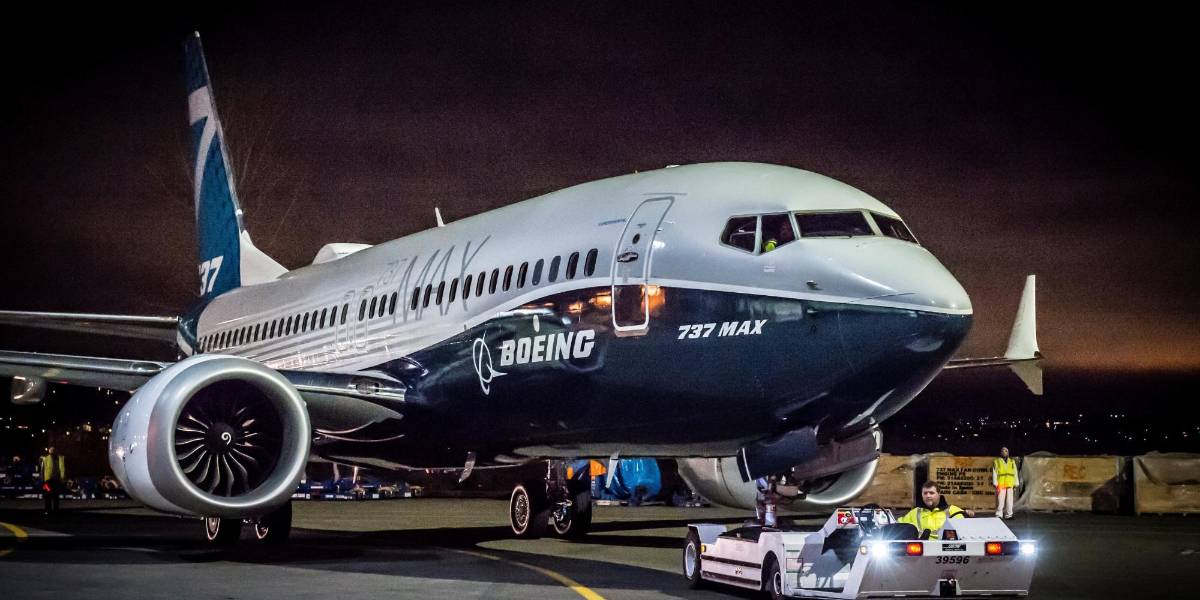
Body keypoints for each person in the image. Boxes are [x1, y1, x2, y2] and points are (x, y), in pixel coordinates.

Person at [898, 481, 974, 539]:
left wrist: (968, 517)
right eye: (925, 493)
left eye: (931, 493)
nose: (928, 496)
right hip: (920, 553)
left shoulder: (953, 510)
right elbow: (898, 525)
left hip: (946, 551)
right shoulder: (914, 512)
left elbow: (964, 529)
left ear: (939, 494)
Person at [993, 447, 1019, 519]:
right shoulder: (997, 461)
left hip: (1010, 483)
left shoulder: (1012, 461)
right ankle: (999, 514)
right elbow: (994, 472)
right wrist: (995, 483)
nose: (1004, 452)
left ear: (1008, 452)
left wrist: (1016, 483)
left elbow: (1015, 472)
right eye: (1003, 451)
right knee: (1000, 500)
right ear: (1001, 452)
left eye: (1006, 451)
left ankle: (1009, 515)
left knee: (1009, 500)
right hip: (1001, 483)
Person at [40, 446, 66, 516]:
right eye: (51, 450)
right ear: (49, 451)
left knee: (55, 496)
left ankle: (55, 510)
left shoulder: (60, 458)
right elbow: (42, 471)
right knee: (48, 495)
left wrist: (63, 479)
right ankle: (48, 510)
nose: (52, 451)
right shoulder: (45, 459)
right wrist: (43, 482)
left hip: (56, 480)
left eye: (53, 450)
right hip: (48, 481)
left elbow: (62, 469)